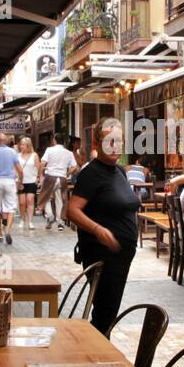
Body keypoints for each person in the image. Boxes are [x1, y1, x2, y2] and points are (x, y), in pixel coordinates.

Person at [68, 118, 140, 333]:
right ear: (96, 144)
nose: (115, 146)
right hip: (102, 256)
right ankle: (97, 357)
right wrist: (98, 229)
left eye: (119, 141)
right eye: (109, 140)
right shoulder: (91, 172)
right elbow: (72, 210)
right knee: (104, 314)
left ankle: (99, 356)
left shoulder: (119, 171)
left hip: (120, 256)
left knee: (108, 312)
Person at [37, 132, 77, 230]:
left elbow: (42, 163)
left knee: (45, 197)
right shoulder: (69, 153)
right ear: (63, 142)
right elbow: (74, 166)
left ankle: (50, 215)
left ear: (54, 140)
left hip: (50, 176)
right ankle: (60, 223)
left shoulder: (49, 150)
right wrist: (67, 174)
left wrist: (40, 176)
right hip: (62, 178)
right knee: (60, 200)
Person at [16, 136, 41, 230]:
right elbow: (15, 168)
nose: (21, 146)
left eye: (23, 144)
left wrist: (39, 178)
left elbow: (39, 168)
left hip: (31, 180)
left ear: (28, 145)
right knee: (22, 202)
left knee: (30, 200)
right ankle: (22, 219)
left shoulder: (34, 155)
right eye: (20, 144)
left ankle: (30, 221)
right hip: (21, 181)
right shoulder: (17, 156)